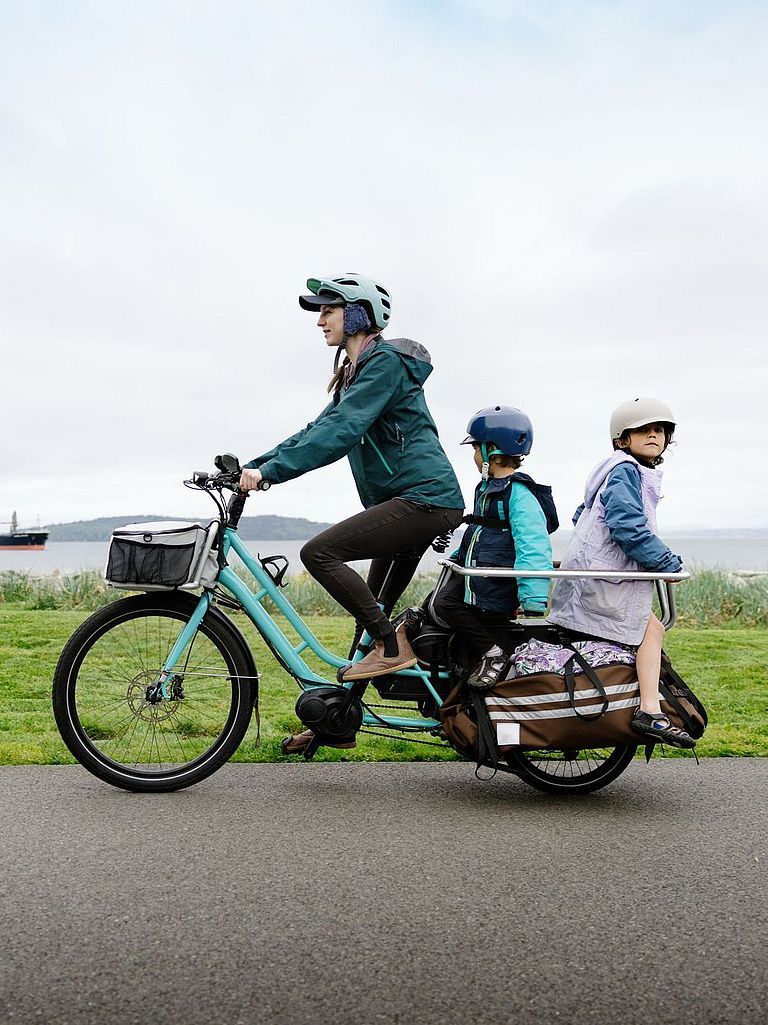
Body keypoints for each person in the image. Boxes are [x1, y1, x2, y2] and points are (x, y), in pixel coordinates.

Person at [239, 273, 464, 753]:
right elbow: (318, 427)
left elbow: (343, 430)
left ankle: (392, 647)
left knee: (319, 553)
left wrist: (274, 474)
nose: (320, 320)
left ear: (359, 314)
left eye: (329, 310)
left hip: (425, 499)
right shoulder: (356, 374)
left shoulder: (383, 364)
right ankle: (336, 724)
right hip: (407, 502)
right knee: (371, 621)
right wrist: (255, 465)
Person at [547, 397, 695, 748]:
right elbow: (628, 526)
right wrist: (666, 563)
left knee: (650, 629)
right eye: (642, 429)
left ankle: (647, 706)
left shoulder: (614, 469)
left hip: (594, 579)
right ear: (621, 438)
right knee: (651, 630)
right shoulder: (626, 471)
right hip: (602, 583)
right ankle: (649, 710)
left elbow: (582, 515)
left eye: (659, 430)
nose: (653, 435)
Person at [432, 405, 555, 689]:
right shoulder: (487, 488)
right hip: (479, 576)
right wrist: (456, 560)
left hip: (495, 584)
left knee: (444, 603)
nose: (474, 456)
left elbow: (533, 546)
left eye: (476, 448)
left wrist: (533, 602)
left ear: (491, 450)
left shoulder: (520, 495)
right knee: (432, 604)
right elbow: (478, 533)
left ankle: (494, 654)